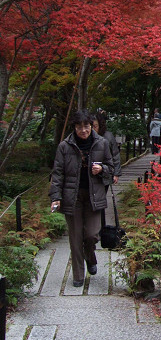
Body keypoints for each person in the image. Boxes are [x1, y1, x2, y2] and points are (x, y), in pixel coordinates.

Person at [49, 110, 114, 287]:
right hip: (72, 196)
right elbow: (58, 173)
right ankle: (78, 274)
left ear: (91, 126)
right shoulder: (64, 146)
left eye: (86, 126)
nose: (83, 130)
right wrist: (56, 197)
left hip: (94, 196)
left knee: (92, 235)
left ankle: (90, 258)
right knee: (75, 237)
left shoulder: (102, 143)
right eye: (79, 127)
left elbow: (111, 167)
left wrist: (102, 170)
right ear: (74, 128)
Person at [92, 111, 122, 184]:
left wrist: (116, 173)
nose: (92, 129)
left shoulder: (108, 137)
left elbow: (115, 155)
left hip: (105, 172)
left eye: (95, 126)